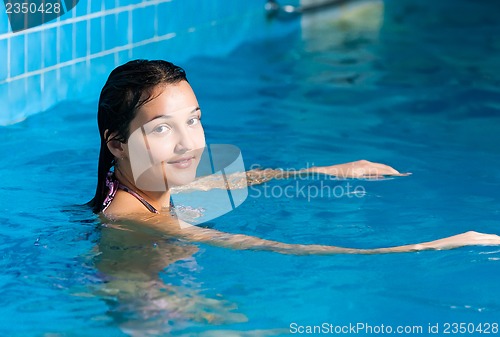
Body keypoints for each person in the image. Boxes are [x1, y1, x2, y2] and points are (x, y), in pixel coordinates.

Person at [88, 59, 500, 255]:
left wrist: (328, 169)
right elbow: (274, 246)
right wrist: (433, 245)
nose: (189, 144)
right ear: (117, 143)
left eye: (193, 121)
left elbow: (230, 181)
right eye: (162, 128)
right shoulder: (137, 219)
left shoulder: (144, 186)